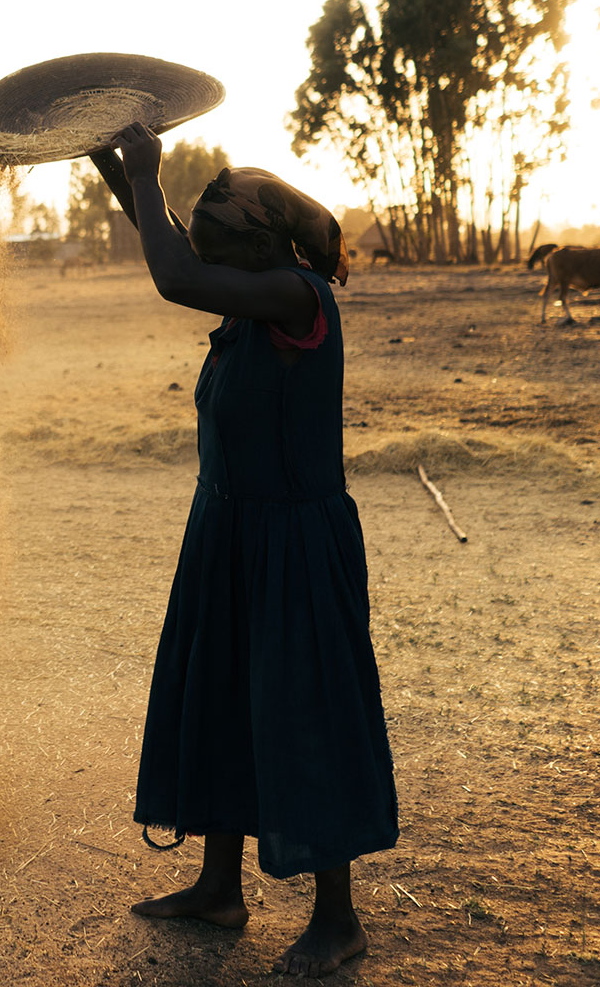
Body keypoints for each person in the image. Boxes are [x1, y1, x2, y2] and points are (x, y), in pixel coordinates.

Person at [97, 124, 398, 979]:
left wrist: (150, 177)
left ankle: (337, 920)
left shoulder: (298, 298)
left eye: (217, 229)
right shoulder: (244, 290)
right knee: (223, 696)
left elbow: (174, 270)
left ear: (260, 243)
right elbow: (182, 253)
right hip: (228, 529)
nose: (202, 240)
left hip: (295, 541)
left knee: (307, 711)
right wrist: (115, 165)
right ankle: (219, 890)